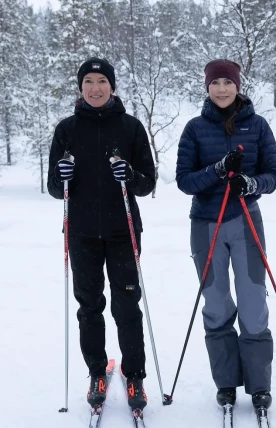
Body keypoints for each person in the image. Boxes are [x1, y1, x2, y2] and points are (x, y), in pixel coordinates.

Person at [47, 57, 156, 410]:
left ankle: (134, 375)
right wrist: (63, 175)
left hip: (123, 229)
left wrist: (131, 176)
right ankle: (97, 370)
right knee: (89, 306)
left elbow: (147, 183)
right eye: (89, 81)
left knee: (127, 305)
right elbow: (52, 186)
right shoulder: (66, 129)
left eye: (102, 81)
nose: (95, 87)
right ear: (80, 87)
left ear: (112, 86)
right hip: (81, 234)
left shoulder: (131, 127)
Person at [175, 59, 276, 411]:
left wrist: (250, 183)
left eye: (228, 82)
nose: (222, 88)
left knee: (253, 303)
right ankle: (226, 382)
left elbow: (273, 175)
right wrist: (217, 170)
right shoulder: (194, 128)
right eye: (215, 82)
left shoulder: (258, 125)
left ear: (238, 85)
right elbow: (184, 181)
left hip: (246, 220)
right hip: (206, 224)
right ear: (207, 87)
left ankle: (259, 385)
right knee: (217, 304)